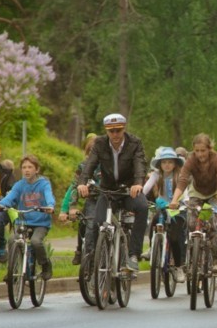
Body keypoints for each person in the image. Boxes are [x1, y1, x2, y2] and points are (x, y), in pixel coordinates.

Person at [77, 113, 149, 272]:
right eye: (111, 131)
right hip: (108, 190)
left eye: (118, 130)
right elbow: (90, 164)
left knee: (143, 207)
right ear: (106, 131)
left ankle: (133, 255)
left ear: (124, 129)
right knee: (97, 222)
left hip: (129, 190)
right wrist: (82, 183)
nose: (115, 134)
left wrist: (138, 183)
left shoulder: (134, 143)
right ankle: (98, 257)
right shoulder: (99, 144)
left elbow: (140, 164)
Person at [169, 133, 217, 274]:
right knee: (191, 222)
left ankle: (216, 260)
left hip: (215, 193)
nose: (200, 154)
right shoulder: (191, 160)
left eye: (203, 150)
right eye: (197, 151)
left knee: (212, 225)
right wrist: (174, 200)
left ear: (209, 149)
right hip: (197, 193)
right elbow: (183, 180)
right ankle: (193, 254)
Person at [143, 146, 187, 282]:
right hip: (163, 209)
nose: (167, 165)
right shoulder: (157, 175)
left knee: (175, 237)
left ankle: (179, 266)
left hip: (178, 210)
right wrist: (140, 198)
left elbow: (185, 192)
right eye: (164, 162)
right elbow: (145, 189)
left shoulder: (180, 175)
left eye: (170, 162)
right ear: (160, 164)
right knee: (154, 222)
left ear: (175, 163)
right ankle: (152, 248)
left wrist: (183, 202)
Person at [59, 133, 97, 265]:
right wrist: (68, 208)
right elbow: (73, 188)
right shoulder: (82, 167)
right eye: (89, 152)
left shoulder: (107, 165)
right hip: (92, 201)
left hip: (109, 201)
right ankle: (83, 255)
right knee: (85, 223)